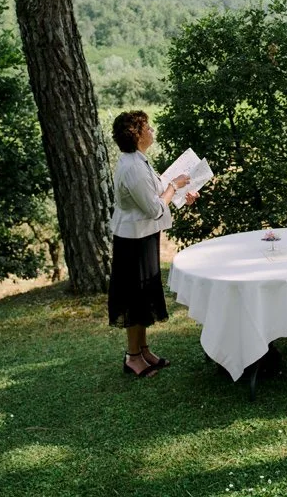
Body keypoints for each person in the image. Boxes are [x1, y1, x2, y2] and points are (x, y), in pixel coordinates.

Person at [109, 110, 198, 378]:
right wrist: (174, 186)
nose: (151, 131)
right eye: (147, 127)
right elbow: (154, 207)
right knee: (135, 297)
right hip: (132, 241)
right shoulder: (132, 167)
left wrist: (181, 191)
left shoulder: (139, 160)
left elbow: (158, 188)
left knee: (144, 294)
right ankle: (133, 357)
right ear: (136, 134)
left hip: (144, 236)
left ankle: (144, 349)